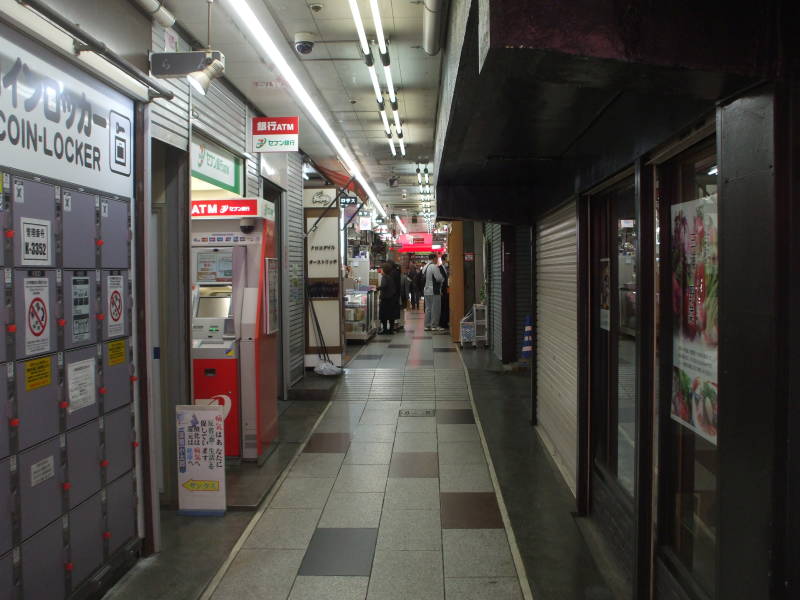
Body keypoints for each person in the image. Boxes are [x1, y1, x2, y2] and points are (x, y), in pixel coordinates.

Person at [421, 253, 445, 332]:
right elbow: (439, 278)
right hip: (434, 291)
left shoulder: (424, 267)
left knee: (428, 308)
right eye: (437, 258)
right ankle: (434, 325)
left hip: (426, 291)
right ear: (434, 258)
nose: (437, 260)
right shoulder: (434, 267)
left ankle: (427, 325)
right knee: (435, 309)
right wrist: (443, 279)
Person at [378, 262, 397, 334]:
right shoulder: (390, 277)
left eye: (381, 269)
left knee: (384, 315)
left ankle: (385, 329)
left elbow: (383, 286)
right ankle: (391, 330)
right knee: (391, 315)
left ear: (384, 270)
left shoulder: (384, 277)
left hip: (385, 299)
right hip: (391, 299)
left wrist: (377, 288)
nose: (380, 271)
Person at [439, 254, 450, 329]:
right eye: (446, 260)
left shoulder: (448, 268)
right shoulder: (439, 268)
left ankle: (446, 322)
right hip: (442, 291)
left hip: (447, 291)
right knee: (442, 307)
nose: (447, 262)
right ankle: (442, 323)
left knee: (446, 307)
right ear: (443, 260)